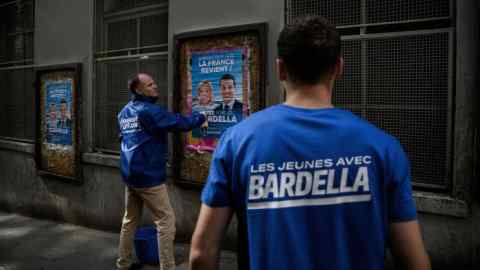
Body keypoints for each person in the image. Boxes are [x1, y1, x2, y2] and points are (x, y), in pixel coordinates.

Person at [189, 16, 430, 270]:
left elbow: (201, 254)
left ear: (280, 68)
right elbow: (415, 263)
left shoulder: (237, 142)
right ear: (339, 67)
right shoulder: (383, 148)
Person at [117, 73, 206, 270]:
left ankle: (123, 264)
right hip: (148, 176)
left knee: (129, 220)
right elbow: (178, 123)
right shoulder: (149, 110)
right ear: (138, 90)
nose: (155, 86)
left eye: (154, 82)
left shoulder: (124, 112)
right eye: (150, 84)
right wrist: (200, 117)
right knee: (166, 221)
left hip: (130, 175)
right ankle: (168, 267)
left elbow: (123, 138)